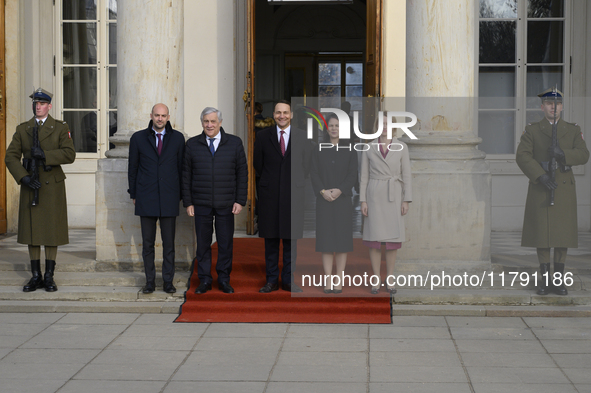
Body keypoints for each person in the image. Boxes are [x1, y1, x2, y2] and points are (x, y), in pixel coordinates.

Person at [516, 88, 589, 296]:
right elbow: (522, 156)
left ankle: (558, 281)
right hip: (542, 186)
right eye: (549, 104)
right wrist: (540, 175)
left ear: (562, 107)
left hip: (564, 188)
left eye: (557, 105)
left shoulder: (573, 130)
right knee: (542, 236)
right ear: (542, 107)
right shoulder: (532, 130)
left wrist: (563, 154)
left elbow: (584, 154)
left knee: (561, 237)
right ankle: (544, 281)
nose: (553, 108)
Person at [5, 88, 76, 292]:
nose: (38, 106)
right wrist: (23, 177)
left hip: (51, 185)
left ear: (49, 106)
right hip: (31, 183)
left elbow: (69, 154)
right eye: (36, 103)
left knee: (51, 230)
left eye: (42, 103)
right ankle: (35, 275)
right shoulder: (23, 129)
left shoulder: (60, 127)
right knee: (33, 230)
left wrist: (45, 154)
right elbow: (10, 156)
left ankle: (49, 275)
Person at [182, 107, 247, 294]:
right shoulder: (192, 144)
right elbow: (186, 175)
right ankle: (204, 280)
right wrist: (188, 202)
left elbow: (242, 173)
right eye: (206, 121)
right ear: (201, 122)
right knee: (202, 244)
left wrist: (240, 200)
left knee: (225, 243)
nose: (209, 125)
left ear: (220, 122)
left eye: (213, 121)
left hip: (226, 203)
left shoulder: (234, 143)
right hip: (200, 203)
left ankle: (224, 279)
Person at [254, 100, 313, 293]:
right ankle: (271, 280)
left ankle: (288, 280)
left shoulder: (302, 137)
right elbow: (258, 165)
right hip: (269, 194)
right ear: (273, 114)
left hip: (293, 194)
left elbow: (306, 166)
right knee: (270, 240)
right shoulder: (262, 136)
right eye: (278, 112)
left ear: (291, 115)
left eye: (285, 112)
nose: (282, 116)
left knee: (290, 241)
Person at [128, 103, 185, 294]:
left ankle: (168, 281)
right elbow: (133, 168)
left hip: (169, 197)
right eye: (157, 115)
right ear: (151, 115)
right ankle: (150, 281)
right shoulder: (138, 138)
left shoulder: (178, 139)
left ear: (168, 117)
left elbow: (181, 169)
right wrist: (134, 193)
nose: (160, 119)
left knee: (169, 243)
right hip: (146, 196)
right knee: (148, 243)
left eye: (163, 115)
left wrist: (181, 195)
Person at [360, 113, 412, 294]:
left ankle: (390, 278)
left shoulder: (402, 147)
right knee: (374, 239)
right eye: (381, 123)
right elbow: (364, 176)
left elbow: (407, 175)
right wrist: (363, 200)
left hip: (394, 195)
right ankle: (376, 279)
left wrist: (406, 199)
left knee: (392, 241)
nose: (384, 126)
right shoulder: (369, 147)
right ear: (376, 125)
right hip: (374, 195)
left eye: (388, 124)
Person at [310, 114, 358, 293]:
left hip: (343, 201)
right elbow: (313, 173)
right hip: (324, 202)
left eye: (337, 125)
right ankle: (328, 279)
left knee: (342, 242)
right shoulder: (318, 149)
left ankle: (339, 279)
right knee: (326, 241)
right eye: (331, 125)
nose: (334, 128)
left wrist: (339, 190)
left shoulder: (350, 149)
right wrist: (323, 191)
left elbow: (353, 174)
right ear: (326, 128)